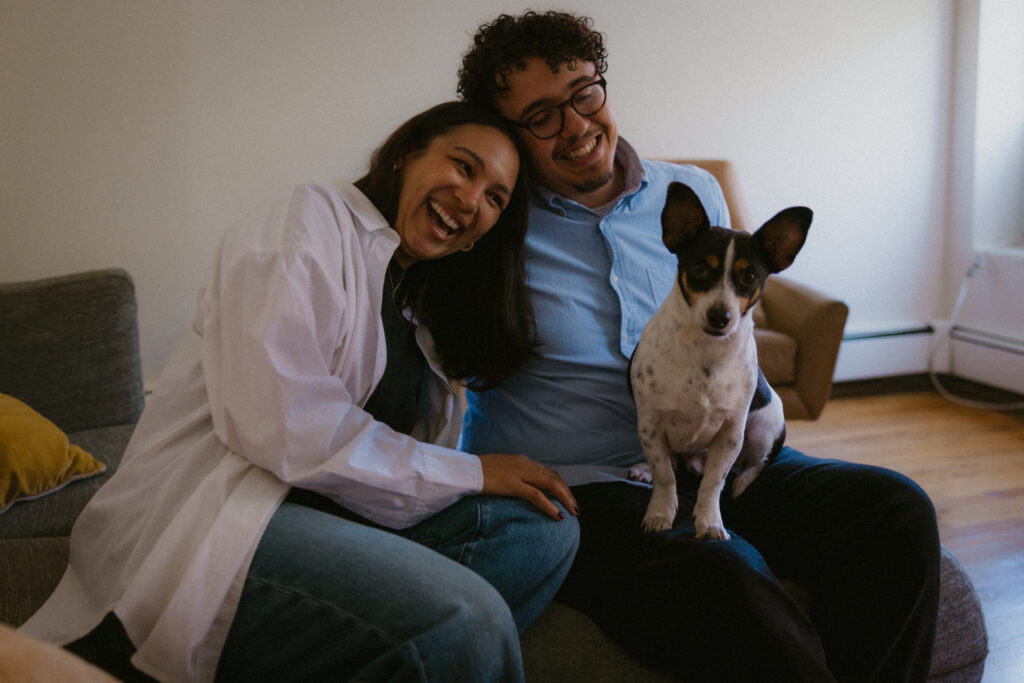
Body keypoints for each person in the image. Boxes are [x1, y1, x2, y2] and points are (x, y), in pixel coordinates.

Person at [21, 101, 580, 683]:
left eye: (496, 198)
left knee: (544, 530)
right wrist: (471, 472)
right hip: (230, 518)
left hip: (342, 521)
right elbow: (282, 424)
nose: (471, 201)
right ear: (409, 153)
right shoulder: (306, 218)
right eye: (464, 167)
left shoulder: (417, 304)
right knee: (467, 619)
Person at [457, 11, 941, 682]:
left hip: (717, 446)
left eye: (582, 93)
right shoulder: (489, 224)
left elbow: (739, 306)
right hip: (584, 488)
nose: (574, 125)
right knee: (727, 578)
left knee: (897, 511)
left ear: (602, 86)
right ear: (509, 134)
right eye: (540, 116)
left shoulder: (688, 193)